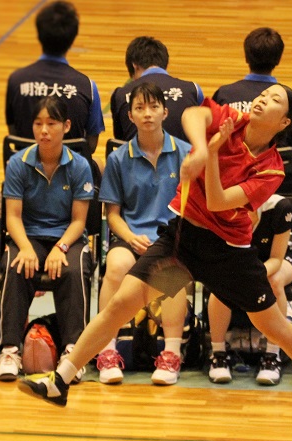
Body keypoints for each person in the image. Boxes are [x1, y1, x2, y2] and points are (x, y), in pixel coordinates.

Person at [19, 84, 292, 440]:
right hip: (182, 244)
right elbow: (194, 114)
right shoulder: (233, 120)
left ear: (284, 121)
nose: (262, 99)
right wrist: (200, 145)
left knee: (275, 327)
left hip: (228, 255)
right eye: (264, 94)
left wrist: (209, 155)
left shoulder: (271, 171)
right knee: (122, 303)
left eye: (274, 100)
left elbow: (218, 201)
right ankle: (61, 380)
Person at [96, 82, 191, 386]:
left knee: (171, 271)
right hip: (131, 237)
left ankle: (171, 353)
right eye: (139, 108)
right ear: (131, 116)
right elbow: (112, 215)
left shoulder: (186, 154)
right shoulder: (118, 159)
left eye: (153, 107)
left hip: (170, 239)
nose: (147, 114)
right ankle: (107, 351)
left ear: (165, 111)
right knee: (116, 266)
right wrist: (131, 236)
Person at [0, 96, 94, 381]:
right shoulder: (17, 164)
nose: (44, 131)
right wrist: (25, 248)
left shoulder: (79, 167)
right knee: (16, 265)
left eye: (51, 123)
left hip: (67, 237)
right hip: (30, 236)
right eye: (38, 123)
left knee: (73, 269)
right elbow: (13, 216)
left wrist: (61, 247)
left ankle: (73, 354)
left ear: (66, 126)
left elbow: (78, 221)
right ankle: (10, 350)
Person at [207, 193, 292, 386]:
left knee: (274, 282)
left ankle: (272, 356)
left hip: (278, 259)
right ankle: (218, 353)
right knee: (221, 281)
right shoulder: (220, 208)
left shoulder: (279, 207)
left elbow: (276, 259)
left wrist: (253, 276)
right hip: (241, 261)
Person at [213, 27, 292, 187]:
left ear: (246, 57)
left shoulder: (223, 94)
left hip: (230, 183)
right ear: (278, 59)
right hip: (279, 184)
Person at [5, 1, 104, 155]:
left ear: (39, 35)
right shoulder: (87, 86)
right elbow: (90, 146)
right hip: (71, 176)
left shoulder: (16, 81)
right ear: (72, 38)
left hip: (24, 173)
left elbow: (14, 133)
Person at [110, 36, 203, 143]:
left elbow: (120, 142)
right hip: (185, 159)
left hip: (134, 158)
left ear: (134, 66)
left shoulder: (120, 94)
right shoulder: (193, 89)